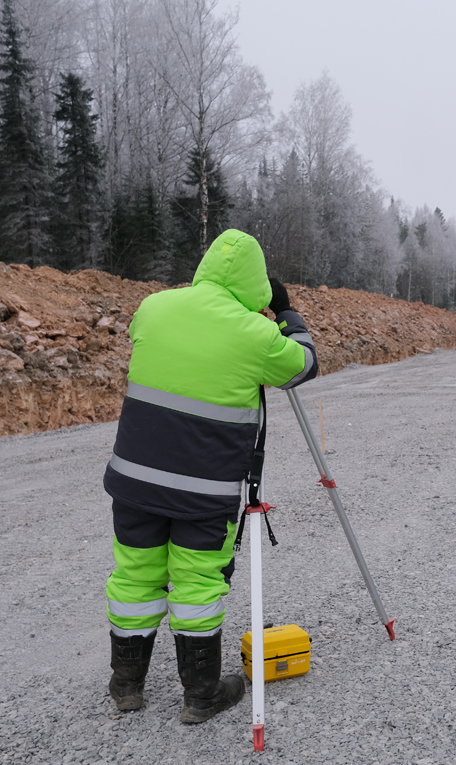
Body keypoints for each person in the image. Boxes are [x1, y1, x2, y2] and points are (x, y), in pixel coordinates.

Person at [101, 229, 318, 723]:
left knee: (135, 574)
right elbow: (303, 364)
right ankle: (202, 694)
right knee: (197, 584)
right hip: (203, 494)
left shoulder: (154, 307)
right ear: (255, 283)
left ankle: (126, 687)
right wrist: (284, 311)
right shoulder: (255, 334)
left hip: (133, 482)